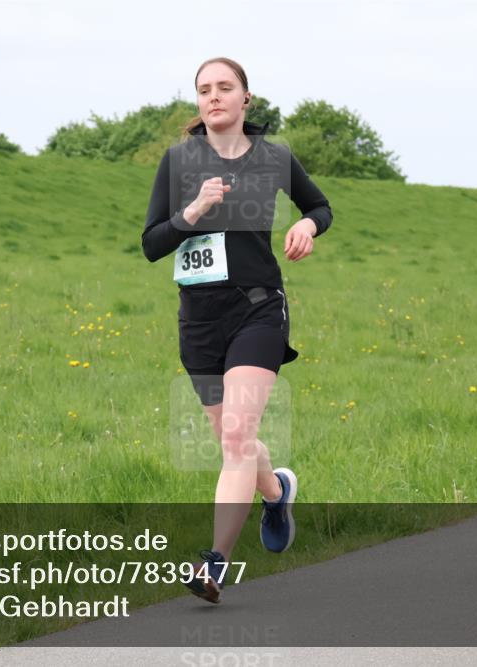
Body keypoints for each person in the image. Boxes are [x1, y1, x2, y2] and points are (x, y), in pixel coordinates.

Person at [141, 57, 333, 604]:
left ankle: (215, 564)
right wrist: (193, 211)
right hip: (199, 322)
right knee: (237, 442)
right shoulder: (179, 161)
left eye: (225, 87)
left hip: (257, 310)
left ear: (246, 97)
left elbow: (320, 206)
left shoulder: (273, 157)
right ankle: (277, 491)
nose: (214, 96)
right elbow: (152, 244)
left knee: (236, 438)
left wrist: (306, 224)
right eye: (204, 89)